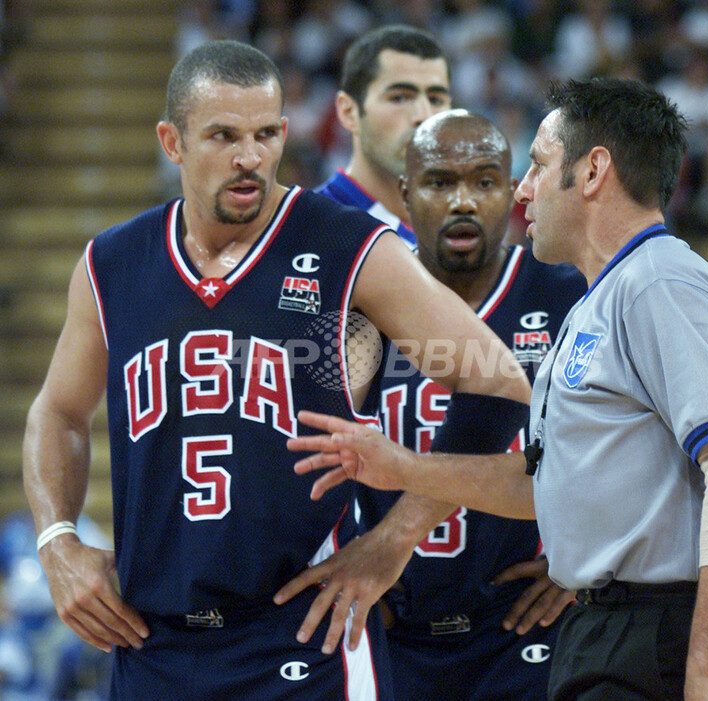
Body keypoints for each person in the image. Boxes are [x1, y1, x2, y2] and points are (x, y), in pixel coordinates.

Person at [22, 40, 532, 701]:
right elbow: (58, 412)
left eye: (265, 134)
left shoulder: (345, 244)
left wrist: (397, 536)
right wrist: (57, 539)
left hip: (302, 638)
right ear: (172, 142)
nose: (249, 157)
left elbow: (496, 380)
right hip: (152, 643)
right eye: (224, 136)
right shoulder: (112, 263)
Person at [287, 77, 708, 701]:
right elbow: (546, 483)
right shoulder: (604, 296)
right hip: (607, 625)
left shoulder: (660, 284)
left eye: (539, 166)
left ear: (593, 171)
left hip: (660, 628)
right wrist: (404, 467)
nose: (523, 190)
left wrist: (707, 669)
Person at [363, 109, 585, 699]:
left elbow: (629, 443)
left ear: (511, 191)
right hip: (392, 625)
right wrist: (348, 551)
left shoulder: (569, 294)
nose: (463, 201)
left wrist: (591, 556)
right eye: (439, 182)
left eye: (484, 182)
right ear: (405, 193)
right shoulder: (360, 303)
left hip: (522, 627)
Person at [316, 24, 452, 249]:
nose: (424, 115)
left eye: (436, 99)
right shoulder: (310, 229)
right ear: (348, 112)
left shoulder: (464, 229)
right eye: (399, 98)